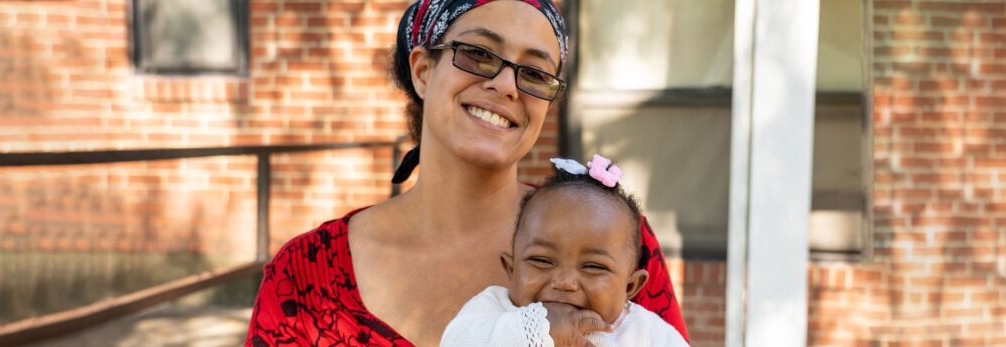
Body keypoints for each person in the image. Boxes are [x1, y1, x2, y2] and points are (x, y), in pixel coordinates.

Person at [244, 1, 689, 346]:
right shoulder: (305, 275)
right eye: (477, 54)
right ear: (422, 71)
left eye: (534, 72)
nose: (506, 85)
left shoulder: (611, 237)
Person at [440, 156, 689, 347]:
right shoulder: (494, 310)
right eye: (541, 260)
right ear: (511, 269)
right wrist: (531, 331)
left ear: (630, 286)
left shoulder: (647, 334)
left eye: (593, 266)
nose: (564, 282)